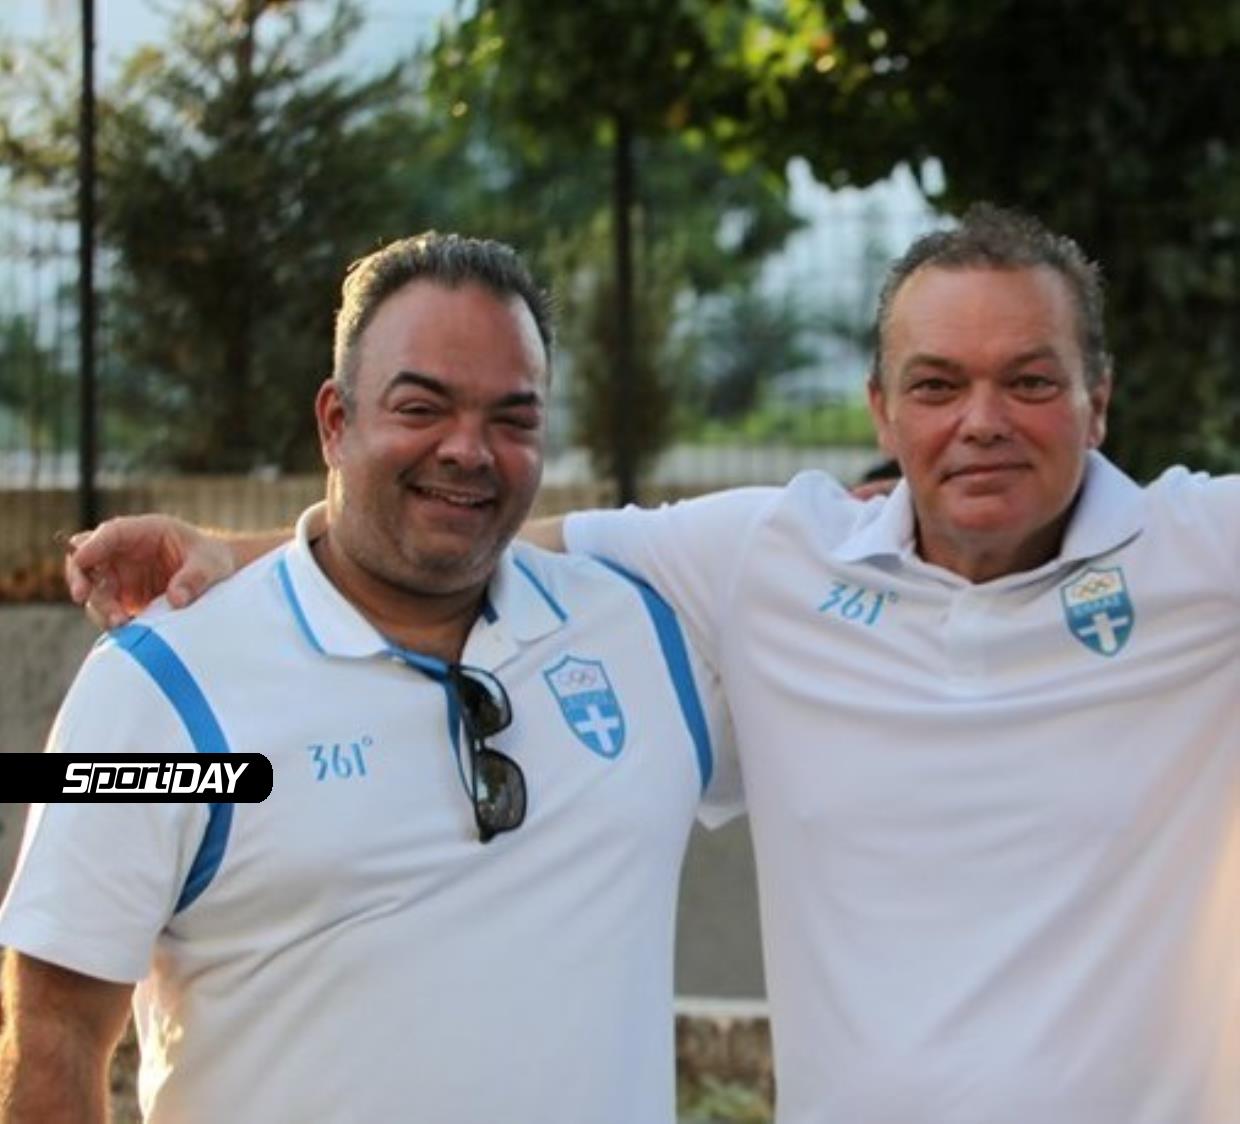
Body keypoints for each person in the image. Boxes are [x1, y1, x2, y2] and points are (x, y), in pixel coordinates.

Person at [53, 204, 1240, 1123]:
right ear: (882, 410)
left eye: (1029, 380)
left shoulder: (1204, 556)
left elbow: (487, 524)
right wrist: (241, 552)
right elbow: (479, 530)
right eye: (937, 383)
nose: (981, 420)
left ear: (1097, 401)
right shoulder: (765, 562)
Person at [0, 233, 740, 1123]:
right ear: (335, 421)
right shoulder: (151, 686)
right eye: (421, 407)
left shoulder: (649, 639)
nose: (469, 450)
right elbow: (53, 1032)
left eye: (513, 419)